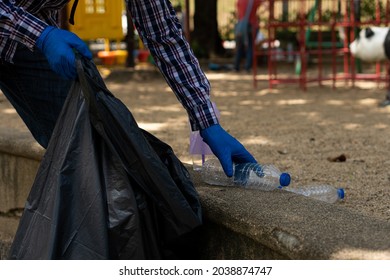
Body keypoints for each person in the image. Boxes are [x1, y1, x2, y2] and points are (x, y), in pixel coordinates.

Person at [0, 0, 256, 177]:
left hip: (29, 34)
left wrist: (206, 119)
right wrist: (41, 36)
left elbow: (162, 32)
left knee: (93, 139)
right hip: (24, 26)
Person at [234, 0, 262, 72]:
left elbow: (237, 13)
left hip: (241, 25)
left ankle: (236, 66)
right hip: (252, 25)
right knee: (250, 46)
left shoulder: (240, 1)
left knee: (239, 47)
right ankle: (247, 67)